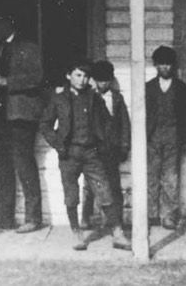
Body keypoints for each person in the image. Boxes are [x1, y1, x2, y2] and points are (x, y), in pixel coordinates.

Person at [41, 59, 130, 251]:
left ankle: (117, 233)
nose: (82, 80)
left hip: (91, 154)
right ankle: (76, 233)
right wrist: (58, 144)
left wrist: (103, 143)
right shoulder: (59, 98)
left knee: (104, 192)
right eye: (78, 75)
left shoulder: (94, 97)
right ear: (68, 75)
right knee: (71, 196)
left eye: (86, 76)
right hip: (69, 155)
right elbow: (45, 125)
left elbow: (107, 122)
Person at [0, 11, 44, 233]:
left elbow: (37, 78)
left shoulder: (28, 47)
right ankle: (5, 217)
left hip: (20, 115)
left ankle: (33, 218)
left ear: (7, 23)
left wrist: (5, 81)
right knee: (2, 167)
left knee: (24, 164)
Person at [79, 59, 130, 249]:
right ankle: (87, 221)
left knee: (113, 187)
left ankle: (115, 223)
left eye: (106, 81)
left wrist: (124, 146)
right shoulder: (89, 98)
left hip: (112, 151)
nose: (103, 84)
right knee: (90, 187)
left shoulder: (117, 98)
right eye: (99, 81)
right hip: (93, 151)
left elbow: (125, 123)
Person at [146, 45, 186, 230]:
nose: (165, 67)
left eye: (168, 64)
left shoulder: (181, 88)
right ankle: (151, 214)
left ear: (173, 66)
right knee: (152, 177)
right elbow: (144, 114)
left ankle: (169, 216)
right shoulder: (148, 87)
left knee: (171, 178)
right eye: (161, 64)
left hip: (173, 137)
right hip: (153, 138)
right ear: (156, 66)